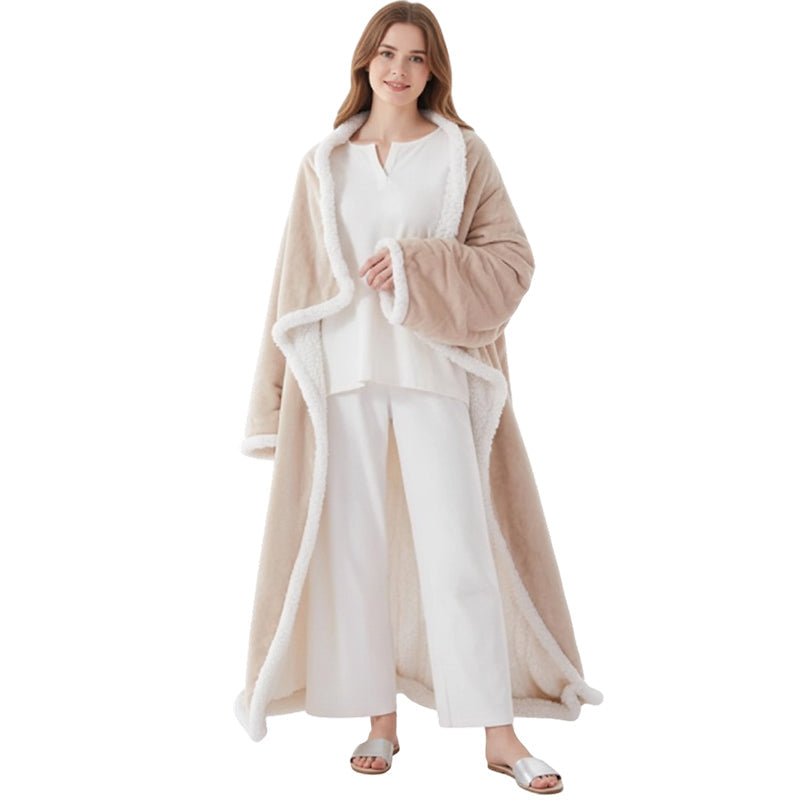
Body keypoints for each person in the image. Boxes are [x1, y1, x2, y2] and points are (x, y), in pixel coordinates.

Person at [234, 2, 603, 794]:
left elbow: (510, 260)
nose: (399, 70)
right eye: (386, 53)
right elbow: (292, 281)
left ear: (434, 69)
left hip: (434, 373)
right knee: (354, 555)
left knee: (460, 553)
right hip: (341, 377)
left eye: (416, 57)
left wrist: (416, 263)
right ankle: (380, 721)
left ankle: (498, 734)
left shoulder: (461, 152)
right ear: (364, 61)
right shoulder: (324, 161)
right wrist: (270, 402)